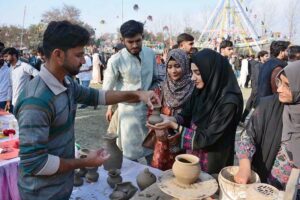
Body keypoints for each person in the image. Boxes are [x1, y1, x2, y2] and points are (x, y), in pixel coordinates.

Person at [15, 20, 159, 200]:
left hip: (60, 186)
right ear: (58, 55)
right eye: (79, 55)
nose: (84, 60)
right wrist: (84, 162)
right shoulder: (35, 101)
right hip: (41, 193)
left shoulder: (66, 83)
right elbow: (35, 163)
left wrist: (139, 95)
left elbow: (99, 96)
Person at [148, 49, 243, 174]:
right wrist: (171, 119)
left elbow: (208, 137)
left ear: (211, 71)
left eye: (197, 73)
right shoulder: (200, 91)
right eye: (192, 72)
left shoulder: (229, 103)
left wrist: (173, 125)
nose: (193, 78)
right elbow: (186, 114)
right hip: (195, 153)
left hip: (213, 158)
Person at [235, 61, 300, 192]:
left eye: (287, 85)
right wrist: (244, 165)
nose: (279, 89)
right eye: (279, 82)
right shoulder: (268, 105)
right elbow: (248, 136)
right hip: (265, 184)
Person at [103, 20, 159, 162]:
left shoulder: (150, 54)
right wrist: (111, 107)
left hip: (150, 112)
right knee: (129, 156)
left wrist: (150, 93)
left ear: (143, 37)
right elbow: (106, 92)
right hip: (128, 114)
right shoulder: (115, 60)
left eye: (138, 41)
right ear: (122, 40)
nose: (135, 45)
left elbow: (157, 79)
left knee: (152, 152)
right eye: (130, 42)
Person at [150, 49, 194, 170]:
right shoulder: (163, 86)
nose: (173, 71)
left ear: (185, 65)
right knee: (160, 170)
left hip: (184, 136)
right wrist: (156, 127)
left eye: (177, 66)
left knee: (182, 171)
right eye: (169, 67)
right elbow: (153, 110)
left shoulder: (193, 87)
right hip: (163, 136)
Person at [240, 51, 269, 123]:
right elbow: (256, 79)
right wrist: (256, 90)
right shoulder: (258, 66)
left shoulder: (266, 65)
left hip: (262, 90)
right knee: (251, 105)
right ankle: (244, 119)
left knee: (252, 105)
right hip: (257, 89)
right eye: (266, 56)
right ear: (261, 57)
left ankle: (243, 119)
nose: (267, 57)